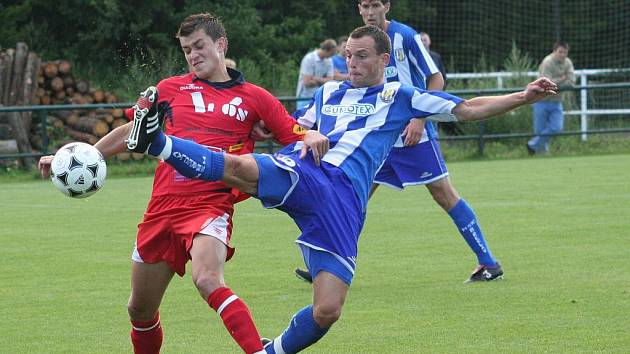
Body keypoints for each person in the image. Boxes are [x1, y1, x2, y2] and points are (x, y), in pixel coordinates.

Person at [129, 25, 557, 353]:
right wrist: (289, 131)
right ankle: (158, 142)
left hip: (343, 203)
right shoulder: (329, 91)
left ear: (384, 60)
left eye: (361, 57)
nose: (351, 64)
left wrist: (522, 97)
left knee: (327, 310)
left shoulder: (402, 94)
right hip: (309, 173)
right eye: (348, 56)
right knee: (239, 167)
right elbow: (296, 127)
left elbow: (466, 108)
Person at [38, 13, 307, 354]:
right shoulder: (168, 89)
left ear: (220, 44)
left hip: (210, 204)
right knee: (139, 309)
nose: (193, 55)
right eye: (186, 50)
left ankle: (257, 351)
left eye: (200, 46)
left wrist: (311, 138)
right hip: (163, 207)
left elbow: (297, 136)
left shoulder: (255, 97)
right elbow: (130, 132)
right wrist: (77, 157)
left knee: (207, 279)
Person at [296, 0, 503, 284]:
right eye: (365, 6)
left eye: (375, 5)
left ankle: (488, 262)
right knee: (351, 197)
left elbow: (435, 78)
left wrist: (419, 119)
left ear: (387, 6)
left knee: (444, 194)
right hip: (374, 138)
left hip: (410, 136)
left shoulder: (406, 37)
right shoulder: (363, 42)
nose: (370, 12)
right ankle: (328, 261)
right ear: (359, 8)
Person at [527, 41, 575, 155]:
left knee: (556, 127)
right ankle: (542, 154)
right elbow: (546, 83)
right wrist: (563, 79)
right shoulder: (547, 62)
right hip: (541, 100)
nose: (563, 54)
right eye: (560, 52)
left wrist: (558, 82)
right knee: (539, 131)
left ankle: (532, 145)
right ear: (554, 51)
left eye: (565, 52)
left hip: (557, 101)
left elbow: (572, 81)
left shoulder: (568, 62)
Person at [295, 38, 336, 108]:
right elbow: (307, 82)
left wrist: (314, 78)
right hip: (304, 97)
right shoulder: (309, 59)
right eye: (331, 54)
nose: (332, 56)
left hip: (320, 97)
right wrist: (323, 81)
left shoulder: (329, 60)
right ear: (326, 50)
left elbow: (330, 80)